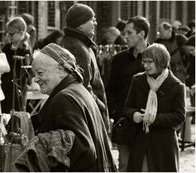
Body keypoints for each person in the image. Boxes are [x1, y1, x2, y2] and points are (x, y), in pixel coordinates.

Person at [15, 43, 117, 171]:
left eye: (40, 73)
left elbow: (84, 149)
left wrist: (43, 144)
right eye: (34, 74)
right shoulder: (76, 89)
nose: (35, 79)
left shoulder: (64, 98)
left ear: (61, 71)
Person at [124, 43, 185, 171]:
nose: (145, 66)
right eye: (144, 62)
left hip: (164, 145)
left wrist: (153, 118)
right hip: (140, 141)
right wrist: (134, 115)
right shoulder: (137, 80)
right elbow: (128, 107)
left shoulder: (177, 86)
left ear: (161, 61)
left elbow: (179, 116)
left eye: (149, 62)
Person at [106, 16, 150, 171]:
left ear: (142, 34)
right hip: (124, 122)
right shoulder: (119, 59)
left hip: (147, 125)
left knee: (144, 167)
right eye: (124, 33)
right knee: (124, 166)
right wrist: (117, 111)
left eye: (129, 33)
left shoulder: (157, 58)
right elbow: (110, 89)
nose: (125, 36)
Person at [59, 3, 110, 131]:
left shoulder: (79, 44)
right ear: (81, 23)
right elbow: (82, 87)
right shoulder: (77, 48)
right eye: (92, 20)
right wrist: (101, 106)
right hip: (88, 115)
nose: (96, 23)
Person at [1, 17, 32, 113]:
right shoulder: (7, 48)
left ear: (21, 33)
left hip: (15, 90)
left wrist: (6, 83)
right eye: (8, 33)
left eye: (11, 34)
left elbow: (23, 74)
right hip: (3, 87)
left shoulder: (25, 51)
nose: (9, 36)